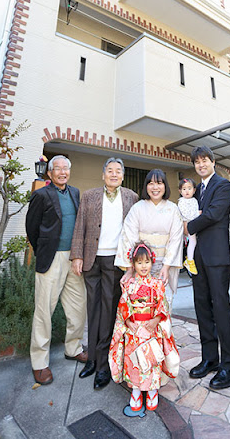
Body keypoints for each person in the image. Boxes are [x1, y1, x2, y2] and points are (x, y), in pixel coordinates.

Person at [70, 157, 138, 390]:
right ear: (103, 175)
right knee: (93, 309)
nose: (114, 174)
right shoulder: (89, 196)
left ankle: (103, 365)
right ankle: (92, 359)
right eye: (110, 170)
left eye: (118, 171)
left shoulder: (131, 197)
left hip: (116, 260)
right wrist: (77, 256)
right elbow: (79, 227)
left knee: (109, 310)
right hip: (92, 259)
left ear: (122, 175)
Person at [25, 155, 87, 385]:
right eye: (57, 168)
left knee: (78, 307)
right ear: (49, 173)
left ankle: (74, 348)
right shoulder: (41, 194)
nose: (62, 172)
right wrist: (44, 251)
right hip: (51, 259)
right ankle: (40, 363)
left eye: (65, 168)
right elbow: (31, 228)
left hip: (74, 258)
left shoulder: (75, 193)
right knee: (44, 311)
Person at [186, 146, 230, 390]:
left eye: (204, 160)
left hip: (217, 256)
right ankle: (210, 359)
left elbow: (214, 214)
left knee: (221, 308)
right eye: (197, 162)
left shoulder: (223, 185)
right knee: (202, 309)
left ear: (213, 162)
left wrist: (189, 226)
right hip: (198, 258)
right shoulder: (196, 190)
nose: (201, 165)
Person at [109, 241, 180, 411]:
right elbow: (123, 305)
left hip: (151, 327)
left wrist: (156, 321)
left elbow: (162, 305)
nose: (143, 266)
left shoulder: (157, 284)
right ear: (133, 264)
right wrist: (127, 322)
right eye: (139, 262)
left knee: (152, 358)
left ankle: (152, 390)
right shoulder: (129, 284)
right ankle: (135, 390)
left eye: (146, 262)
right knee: (134, 360)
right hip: (134, 327)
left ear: (152, 262)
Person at [115, 169, 183, 308]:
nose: (155, 187)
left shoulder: (173, 209)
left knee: (162, 304)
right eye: (151, 183)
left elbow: (176, 238)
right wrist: (130, 268)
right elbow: (128, 236)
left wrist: (166, 266)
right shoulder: (137, 208)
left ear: (165, 186)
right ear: (146, 186)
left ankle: (162, 330)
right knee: (140, 304)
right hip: (140, 264)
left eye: (159, 183)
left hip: (164, 263)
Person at [177, 178, 199, 275]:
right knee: (190, 242)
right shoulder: (181, 201)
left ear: (194, 190)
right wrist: (198, 214)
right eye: (184, 189)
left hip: (193, 224)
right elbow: (186, 214)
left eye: (189, 188)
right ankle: (189, 260)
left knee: (193, 242)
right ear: (180, 191)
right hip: (186, 224)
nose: (187, 191)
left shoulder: (194, 200)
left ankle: (189, 259)